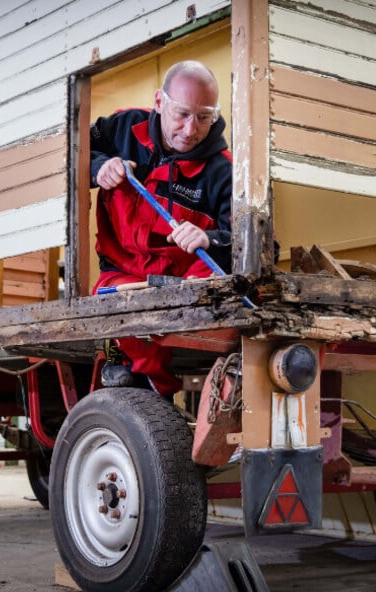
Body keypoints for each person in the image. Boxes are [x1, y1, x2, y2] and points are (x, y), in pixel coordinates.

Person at [90, 60, 232, 397]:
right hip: (122, 275)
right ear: (159, 102)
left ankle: (148, 386)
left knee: (192, 299)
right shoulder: (124, 127)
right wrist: (98, 167)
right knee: (109, 303)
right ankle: (147, 383)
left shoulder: (225, 170)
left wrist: (209, 239)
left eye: (203, 117)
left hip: (182, 286)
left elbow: (261, 247)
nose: (190, 129)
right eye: (182, 114)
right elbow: (68, 150)